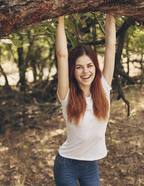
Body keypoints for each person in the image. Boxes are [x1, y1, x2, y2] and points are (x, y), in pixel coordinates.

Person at [54, 14, 116, 186]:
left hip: (91, 165)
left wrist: (110, 13)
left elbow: (110, 47)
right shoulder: (67, 94)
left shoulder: (103, 88)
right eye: (79, 67)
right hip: (66, 165)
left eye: (89, 66)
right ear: (72, 71)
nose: (85, 72)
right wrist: (60, 17)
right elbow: (62, 55)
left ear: (95, 67)